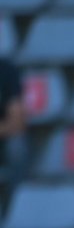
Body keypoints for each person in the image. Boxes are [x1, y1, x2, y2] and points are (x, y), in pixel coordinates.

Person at [0, 57, 28, 194]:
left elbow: (17, 124)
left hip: (4, 139)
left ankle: (16, 198)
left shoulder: (6, 70)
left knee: (17, 146)